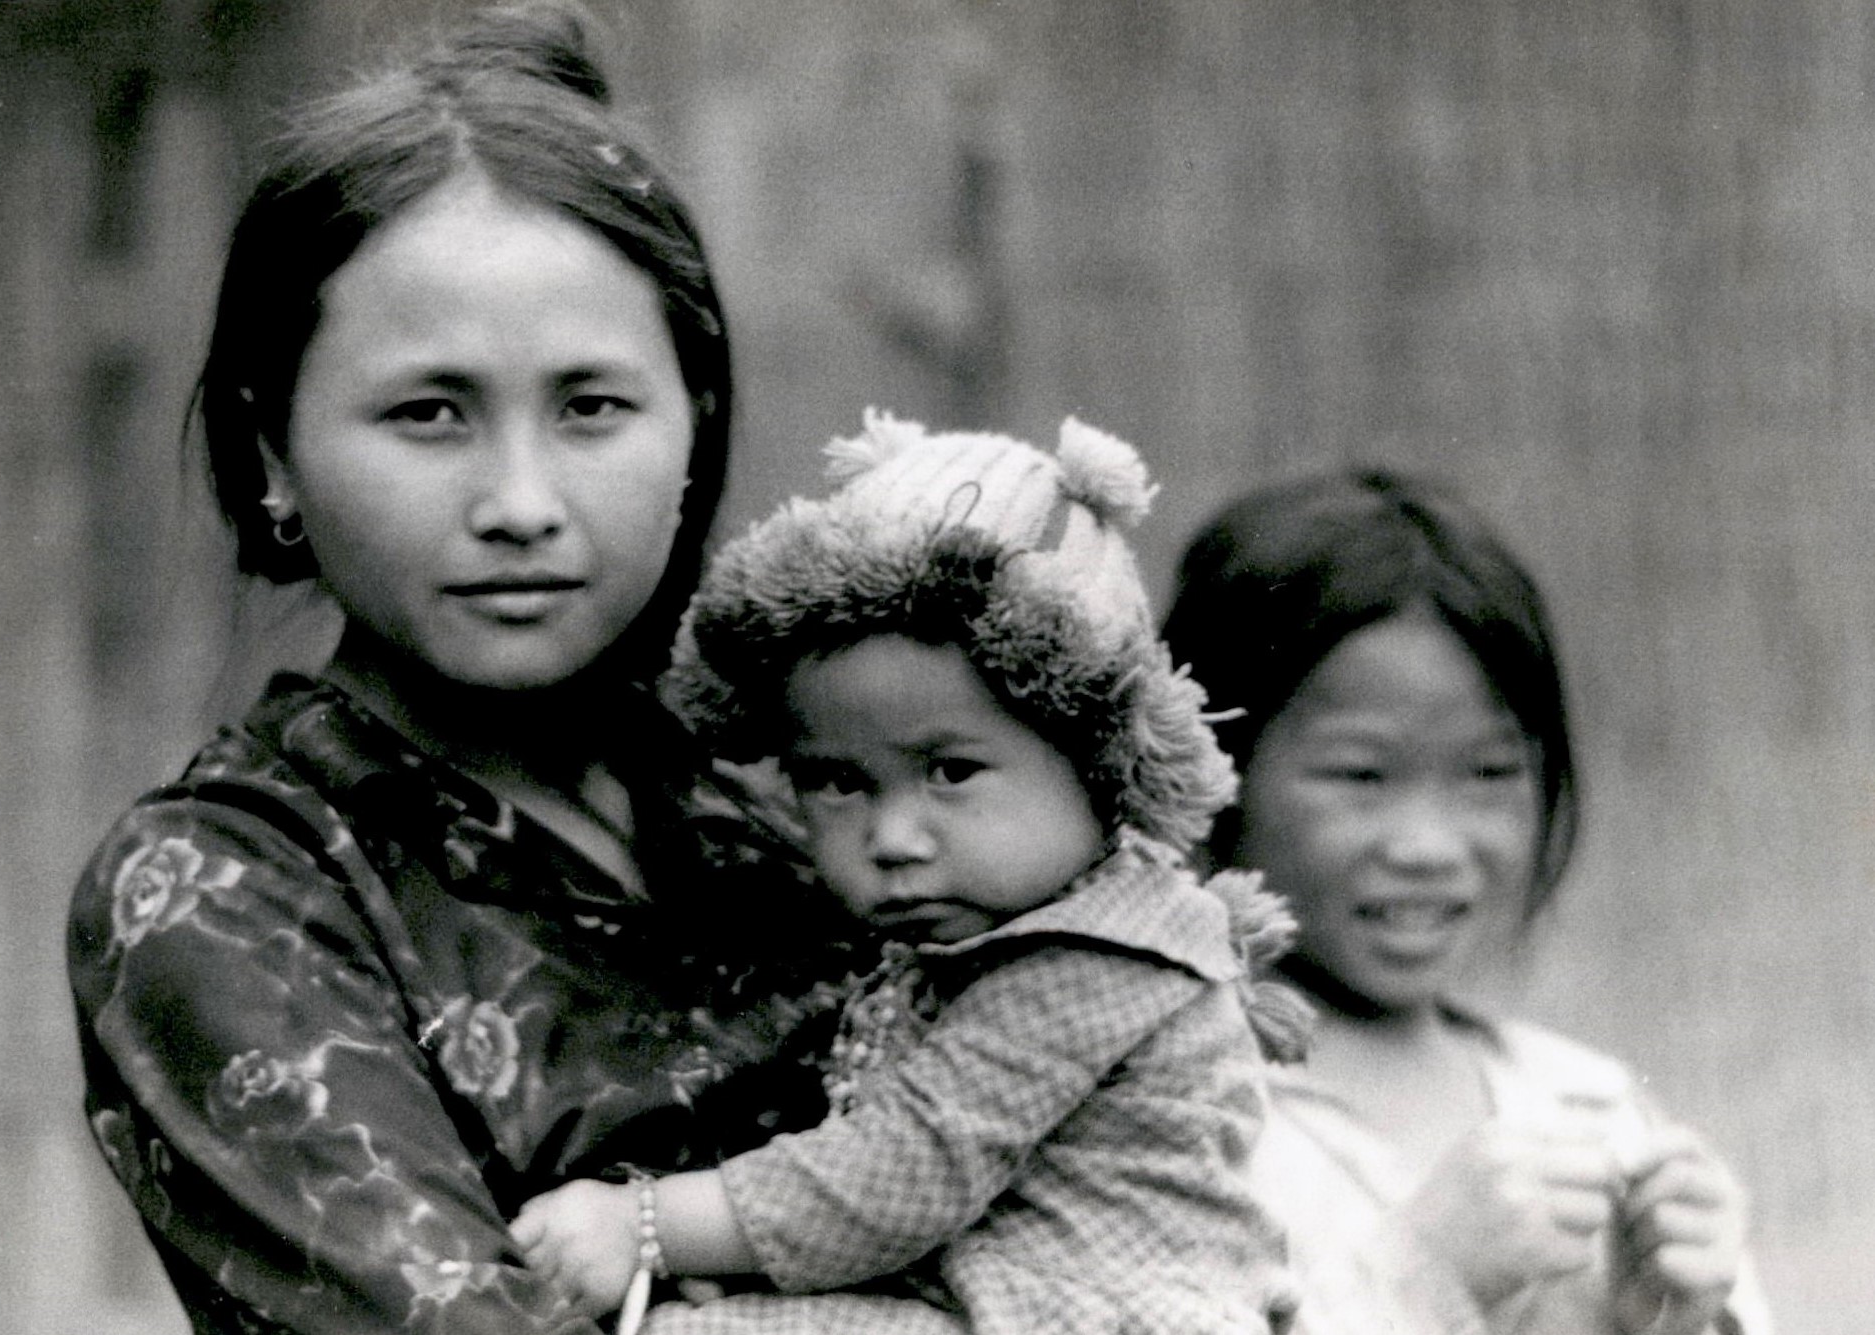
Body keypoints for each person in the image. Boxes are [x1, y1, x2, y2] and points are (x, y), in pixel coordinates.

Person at [65, 6, 864, 1332]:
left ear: (694, 415)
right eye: (428, 412)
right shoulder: (225, 892)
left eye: (591, 405)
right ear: (272, 448)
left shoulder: (819, 775)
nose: (520, 500)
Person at [507, 411, 1311, 1333]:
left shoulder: (1098, 959)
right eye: (838, 781)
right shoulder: (991, 924)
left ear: (1096, 763)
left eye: (951, 770)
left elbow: (900, 1174)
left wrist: (648, 1224)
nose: (893, 835)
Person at [1161, 469, 1774, 1335]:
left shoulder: (1589, 1104)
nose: (1429, 846)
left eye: (1489, 773)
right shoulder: (1164, 1115)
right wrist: (1419, 1279)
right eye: (1361, 774)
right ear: (1209, 775)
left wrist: (1670, 1317)